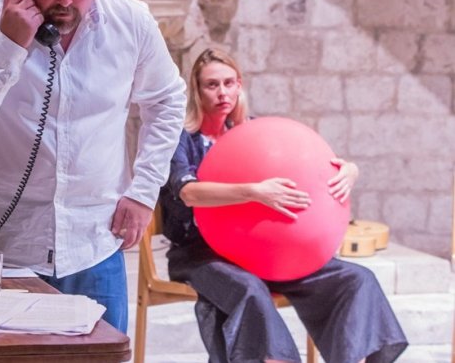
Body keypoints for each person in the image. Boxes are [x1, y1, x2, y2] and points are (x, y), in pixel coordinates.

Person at [0, 0, 186, 333]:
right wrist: (7, 46)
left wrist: (143, 191)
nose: (65, 1)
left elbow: (168, 99)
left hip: (93, 242)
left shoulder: (130, 19)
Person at [160, 48, 408, 363]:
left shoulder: (255, 132)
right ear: (197, 91)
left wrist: (350, 170)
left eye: (229, 83)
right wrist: (254, 192)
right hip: (201, 253)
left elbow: (305, 166)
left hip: (267, 252)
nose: (222, 92)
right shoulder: (182, 138)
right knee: (249, 290)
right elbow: (189, 193)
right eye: (212, 85)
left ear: (239, 85)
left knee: (357, 279)